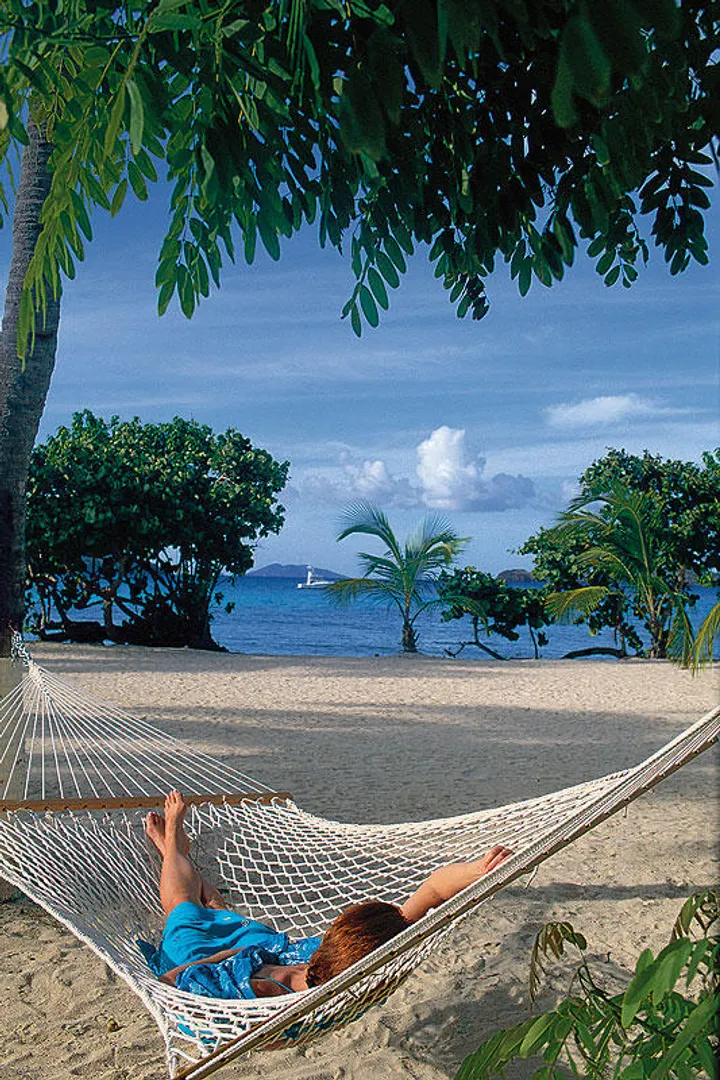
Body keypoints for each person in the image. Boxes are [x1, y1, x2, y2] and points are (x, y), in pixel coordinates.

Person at [141, 790, 511, 1000]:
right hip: (258, 946)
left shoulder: (271, 989)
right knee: (218, 909)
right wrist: (480, 870)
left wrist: (220, 958)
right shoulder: (368, 955)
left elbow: (170, 983)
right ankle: (174, 852)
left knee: (184, 906)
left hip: (197, 961)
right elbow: (433, 889)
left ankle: (173, 843)